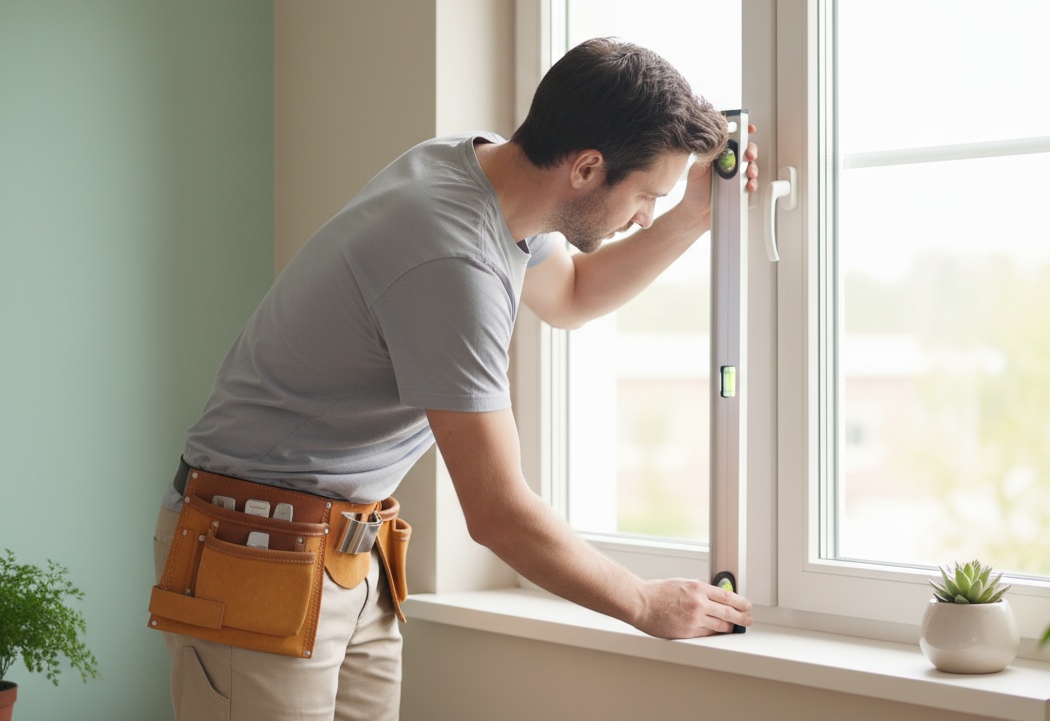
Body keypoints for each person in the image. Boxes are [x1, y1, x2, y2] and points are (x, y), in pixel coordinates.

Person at [149, 37, 758, 721]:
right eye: (647, 194)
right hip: (256, 546)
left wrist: (692, 217)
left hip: (350, 548)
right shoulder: (451, 261)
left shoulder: (479, 164)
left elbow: (574, 294)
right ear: (588, 168)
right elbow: (497, 512)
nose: (644, 213)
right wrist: (643, 602)